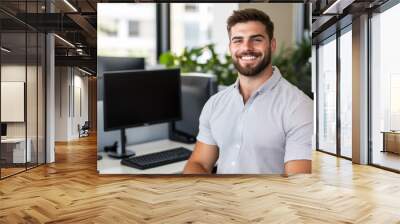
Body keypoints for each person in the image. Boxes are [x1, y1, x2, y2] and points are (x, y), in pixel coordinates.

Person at [183, 8, 313, 174]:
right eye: (238, 40)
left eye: (256, 39)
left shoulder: (299, 108)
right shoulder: (215, 103)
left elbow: (297, 185)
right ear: (230, 47)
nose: (246, 48)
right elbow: (199, 163)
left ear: (272, 45)